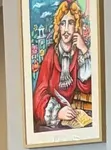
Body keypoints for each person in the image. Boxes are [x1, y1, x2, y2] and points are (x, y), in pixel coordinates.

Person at [32, 1, 92, 130]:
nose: (66, 29)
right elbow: (39, 94)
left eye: (70, 23)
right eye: (62, 23)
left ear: (76, 27)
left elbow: (86, 87)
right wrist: (58, 113)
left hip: (69, 119)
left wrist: (84, 50)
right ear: (58, 27)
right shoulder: (51, 54)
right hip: (49, 120)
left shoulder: (76, 55)